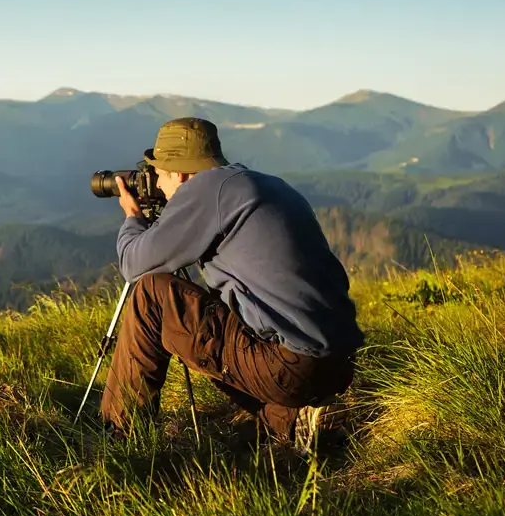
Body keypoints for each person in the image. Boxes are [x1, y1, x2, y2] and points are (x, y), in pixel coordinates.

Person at [101, 116, 364, 454]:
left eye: (160, 176)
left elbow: (134, 265)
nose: (159, 185)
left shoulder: (206, 191)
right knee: (220, 311)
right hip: (336, 363)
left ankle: (120, 441)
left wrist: (133, 218)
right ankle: (296, 419)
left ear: (179, 173)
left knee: (152, 294)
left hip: (289, 365)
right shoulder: (263, 184)